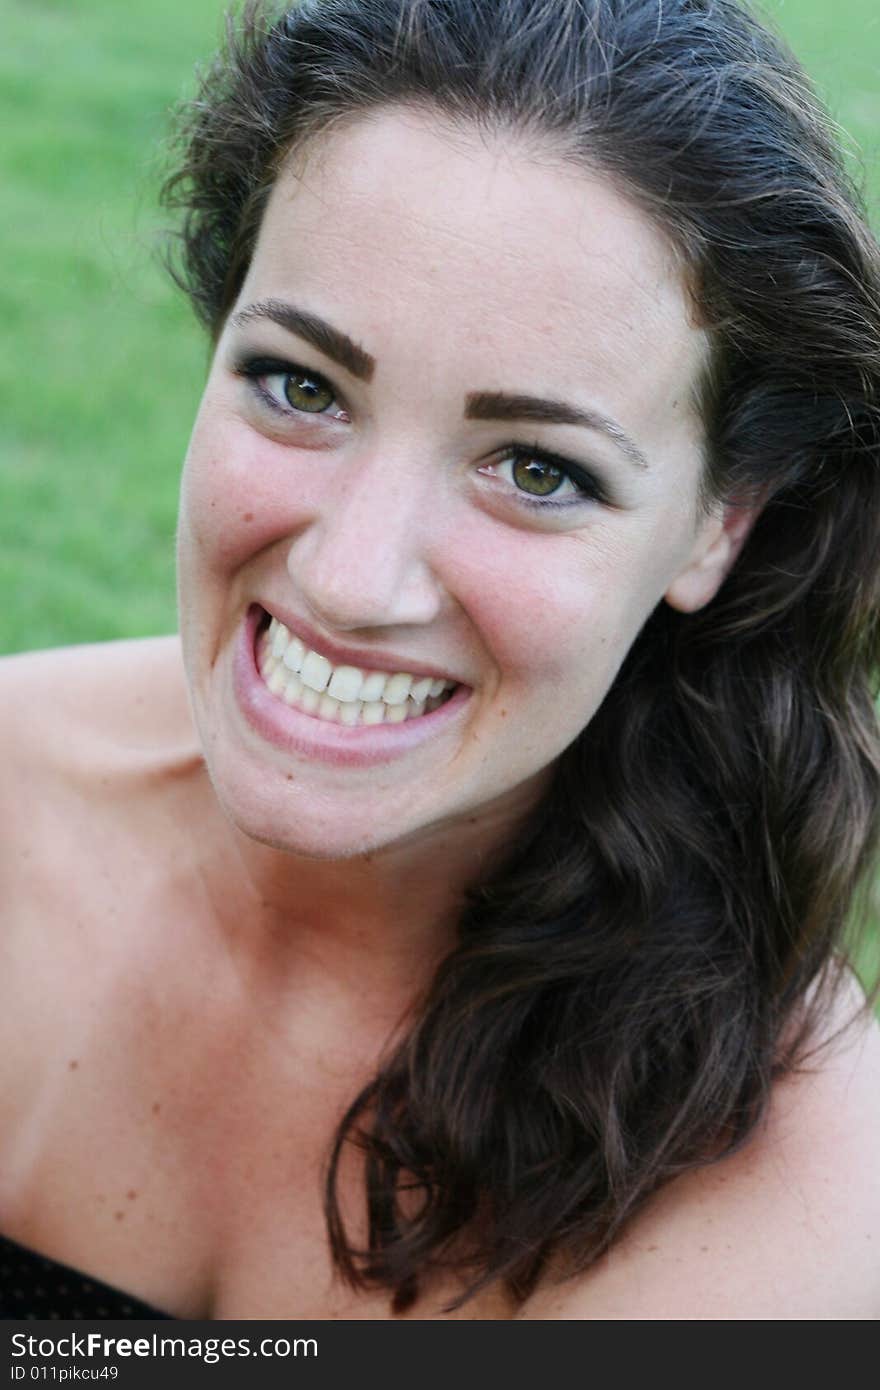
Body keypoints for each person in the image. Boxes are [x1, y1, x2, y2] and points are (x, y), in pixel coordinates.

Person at [1, 0, 879, 1321]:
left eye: (538, 470)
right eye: (301, 385)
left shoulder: (791, 1177)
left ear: (720, 524)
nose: (353, 578)